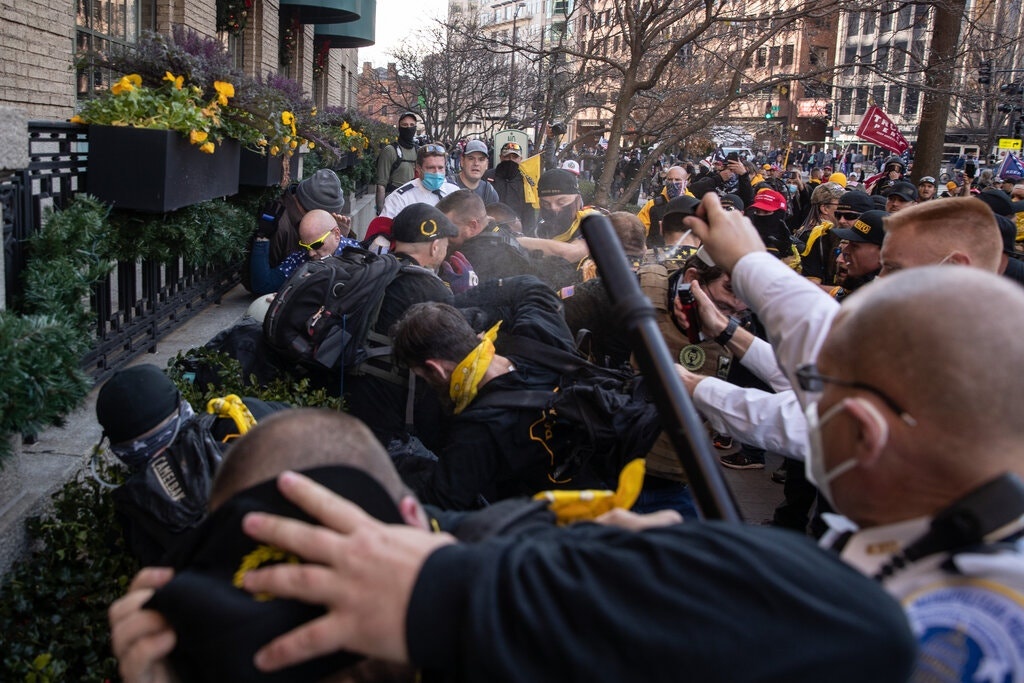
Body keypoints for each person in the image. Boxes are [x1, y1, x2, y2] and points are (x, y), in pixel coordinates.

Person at [684, 194, 1024, 679]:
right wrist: (735, 314)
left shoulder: (942, 636)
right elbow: (825, 356)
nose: (877, 281)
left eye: (894, 267)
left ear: (866, 433)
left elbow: (819, 379)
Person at [342, 204, 457, 451]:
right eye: (446, 244)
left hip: (345, 390)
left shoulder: (372, 269)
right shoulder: (433, 290)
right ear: (435, 245)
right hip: (387, 417)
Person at [249, 169, 348, 294]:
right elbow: (264, 284)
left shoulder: (329, 230)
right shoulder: (280, 225)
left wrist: (339, 237)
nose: (311, 253)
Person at [249, 209, 358, 294]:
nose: (311, 253)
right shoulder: (300, 259)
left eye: (316, 245)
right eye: (305, 246)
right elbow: (263, 285)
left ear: (337, 234)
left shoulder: (359, 257)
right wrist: (262, 238)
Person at [380, 143, 461, 219]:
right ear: (418, 169)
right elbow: (383, 229)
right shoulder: (400, 199)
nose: (436, 173)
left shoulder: (454, 191)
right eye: (431, 168)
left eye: (440, 168)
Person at [484, 141, 537, 234]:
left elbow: (529, 211)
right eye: (507, 156)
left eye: (514, 157)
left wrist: (528, 235)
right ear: (500, 157)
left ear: (520, 159)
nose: (510, 160)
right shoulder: (487, 176)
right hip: (490, 230)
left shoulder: (526, 181)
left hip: (517, 232)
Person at [636, 165, 692, 247]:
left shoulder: (694, 206)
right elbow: (638, 231)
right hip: (655, 254)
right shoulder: (653, 205)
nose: (673, 182)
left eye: (677, 180)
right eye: (670, 179)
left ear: (685, 182)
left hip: (685, 256)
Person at [375, 111, 419, 214]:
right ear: (399, 127)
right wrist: (381, 213)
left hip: (414, 205)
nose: (409, 128)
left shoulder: (418, 151)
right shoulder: (390, 151)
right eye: (405, 125)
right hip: (393, 205)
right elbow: (381, 184)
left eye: (412, 125)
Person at [453, 139, 499, 205]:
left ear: (486, 164)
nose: (476, 163)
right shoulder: (448, 186)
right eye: (471, 158)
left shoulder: (489, 193)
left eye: (481, 159)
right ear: (462, 161)